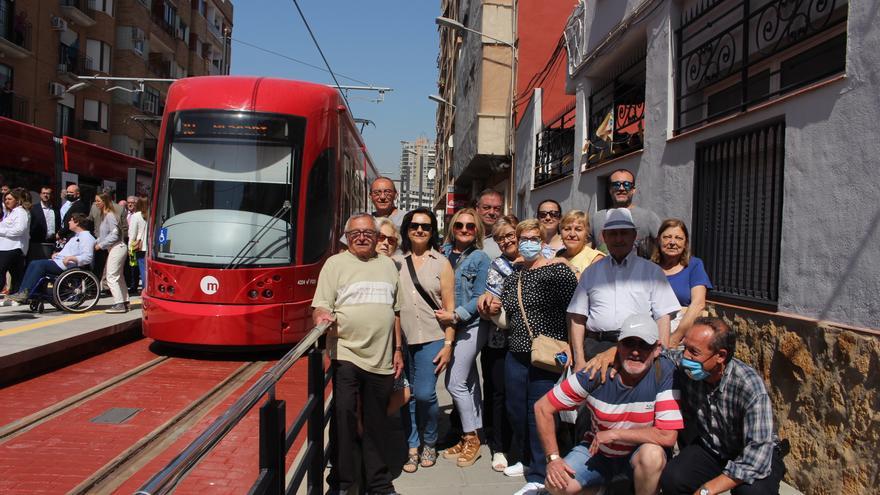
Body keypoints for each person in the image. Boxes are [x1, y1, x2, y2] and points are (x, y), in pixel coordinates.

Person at [587, 318, 787, 495]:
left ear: (721, 356)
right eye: (686, 348)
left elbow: (755, 458)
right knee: (673, 478)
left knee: (753, 492)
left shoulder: (749, 386)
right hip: (713, 449)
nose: (686, 357)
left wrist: (705, 491)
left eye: (694, 352)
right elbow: (659, 352)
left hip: (753, 454)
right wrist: (613, 351)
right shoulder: (685, 364)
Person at [535, 314, 683, 495]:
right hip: (598, 452)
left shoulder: (664, 372)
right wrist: (553, 458)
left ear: (657, 349)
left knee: (652, 456)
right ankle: (606, 491)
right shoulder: (596, 372)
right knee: (556, 485)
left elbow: (667, 435)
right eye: (629, 343)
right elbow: (543, 407)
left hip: (639, 454)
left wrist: (614, 434)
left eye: (644, 345)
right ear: (618, 346)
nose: (635, 352)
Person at [312, 212, 403, 495]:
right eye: (355, 234)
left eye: (367, 233)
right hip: (347, 353)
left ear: (377, 237)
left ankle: (378, 482)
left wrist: (398, 349)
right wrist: (322, 316)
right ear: (347, 238)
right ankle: (344, 483)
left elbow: (395, 312)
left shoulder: (388, 265)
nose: (362, 237)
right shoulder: (334, 264)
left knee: (377, 423)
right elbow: (321, 305)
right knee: (345, 417)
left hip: (382, 357)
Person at [501, 219, 578, 495]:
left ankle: (539, 473)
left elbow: (575, 311)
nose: (529, 242)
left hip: (548, 353)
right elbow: (506, 313)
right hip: (517, 352)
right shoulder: (513, 276)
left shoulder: (558, 272)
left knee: (539, 412)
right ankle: (526, 458)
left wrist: (572, 345)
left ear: (543, 242)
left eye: (535, 238)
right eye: (524, 238)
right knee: (516, 410)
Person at [568, 208, 680, 371]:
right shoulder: (591, 273)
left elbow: (663, 317)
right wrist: (579, 360)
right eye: (613, 234)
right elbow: (577, 318)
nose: (618, 239)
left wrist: (659, 355)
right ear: (604, 237)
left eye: (624, 233)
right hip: (595, 347)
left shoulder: (652, 272)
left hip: (639, 348)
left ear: (634, 236)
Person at [394, 208, 455, 473]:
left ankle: (429, 440)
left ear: (433, 232)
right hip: (401, 340)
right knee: (406, 397)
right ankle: (412, 446)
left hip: (432, 337)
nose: (420, 230)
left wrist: (448, 345)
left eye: (426, 227)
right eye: (415, 226)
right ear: (406, 230)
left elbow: (450, 309)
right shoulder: (395, 262)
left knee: (424, 394)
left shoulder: (441, 262)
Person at [437, 207, 491, 467]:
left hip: (471, 325)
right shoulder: (443, 253)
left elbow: (479, 296)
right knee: (469, 383)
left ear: (477, 230)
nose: (465, 230)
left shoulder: (481, 258)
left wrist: (456, 316)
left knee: (454, 382)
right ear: (453, 228)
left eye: (471, 226)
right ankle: (473, 433)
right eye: (460, 225)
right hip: (448, 326)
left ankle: (471, 438)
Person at [476, 214, 519, 472]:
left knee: (521, 394)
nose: (506, 241)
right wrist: (491, 304)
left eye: (510, 235)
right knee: (499, 393)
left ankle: (521, 445)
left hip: (530, 341)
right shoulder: (496, 266)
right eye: (500, 238)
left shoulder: (538, 260)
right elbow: (492, 301)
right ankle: (499, 446)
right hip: (500, 340)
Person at [8, 214, 96, 302]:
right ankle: (22, 292)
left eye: (71, 220)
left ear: (77, 223)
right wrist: (58, 254)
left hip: (68, 266)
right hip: (60, 262)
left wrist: (72, 258)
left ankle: (26, 292)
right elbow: (71, 251)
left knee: (39, 265)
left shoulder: (87, 237)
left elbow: (87, 257)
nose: (69, 222)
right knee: (33, 263)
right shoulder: (76, 236)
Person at [652, 219, 712, 343]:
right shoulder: (648, 267)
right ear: (659, 240)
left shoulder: (694, 265)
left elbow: (698, 304)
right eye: (667, 237)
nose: (672, 242)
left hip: (683, 335)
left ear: (685, 243)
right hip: (650, 333)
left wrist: (675, 337)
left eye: (679, 238)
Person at [590, 169, 661, 259]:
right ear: (609, 189)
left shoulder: (648, 217)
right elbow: (586, 252)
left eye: (627, 185)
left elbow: (662, 249)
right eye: (616, 185)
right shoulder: (597, 218)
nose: (621, 188)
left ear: (633, 190)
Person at [93, 193, 129, 313]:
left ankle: (119, 304)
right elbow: (105, 236)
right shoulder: (106, 215)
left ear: (105, 202)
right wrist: (96, 242)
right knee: (119, 276)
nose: (96, 203)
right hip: (116, 248)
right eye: (95, 201)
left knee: (111, 276)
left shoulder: (109, 215)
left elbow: (115, 234)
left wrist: (100, 245)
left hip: (117, 247)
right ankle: (124, 301)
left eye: (98, 201)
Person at [556, 210, 604, 277]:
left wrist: (569, 266)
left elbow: (593, 285)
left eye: (578, 229)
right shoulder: (558, 255)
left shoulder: (596, 259)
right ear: (560, 233)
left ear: (586, 233)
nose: (572, 234)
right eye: (567, 229)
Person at [0, 189, 30, 294]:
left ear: (17, 200)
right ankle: (18, 294)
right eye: (5, 199)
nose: (6, 201)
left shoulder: (20, 212)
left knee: (2, 270)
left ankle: (19, 293)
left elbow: (20, 230)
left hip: (12, 247)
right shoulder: (11, 213)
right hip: (7, 247)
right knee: (16, 274)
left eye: (9, 199)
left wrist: (1, 231)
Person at [28, 186, 60, 261]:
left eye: (48, 193)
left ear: (51, 195)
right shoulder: (33, 209)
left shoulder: (56, 210)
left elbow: (58, 225)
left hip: (51, 244)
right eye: (44, 193)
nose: (45, 195)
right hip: (36, 244)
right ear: (40, 195)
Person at [475, 188, 505, 259]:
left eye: (496, 209)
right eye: (486, 208)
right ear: (477, 209)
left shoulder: (508, 239)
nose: (491, 212)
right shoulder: (465, 234)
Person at [128, 197, 149, 294]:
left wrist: (130, 247)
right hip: (151, 247)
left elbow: (132, 234)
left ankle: (145, 290)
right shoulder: (153, 215)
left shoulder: (136, 216)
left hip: (140, 247)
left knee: (143, 270)